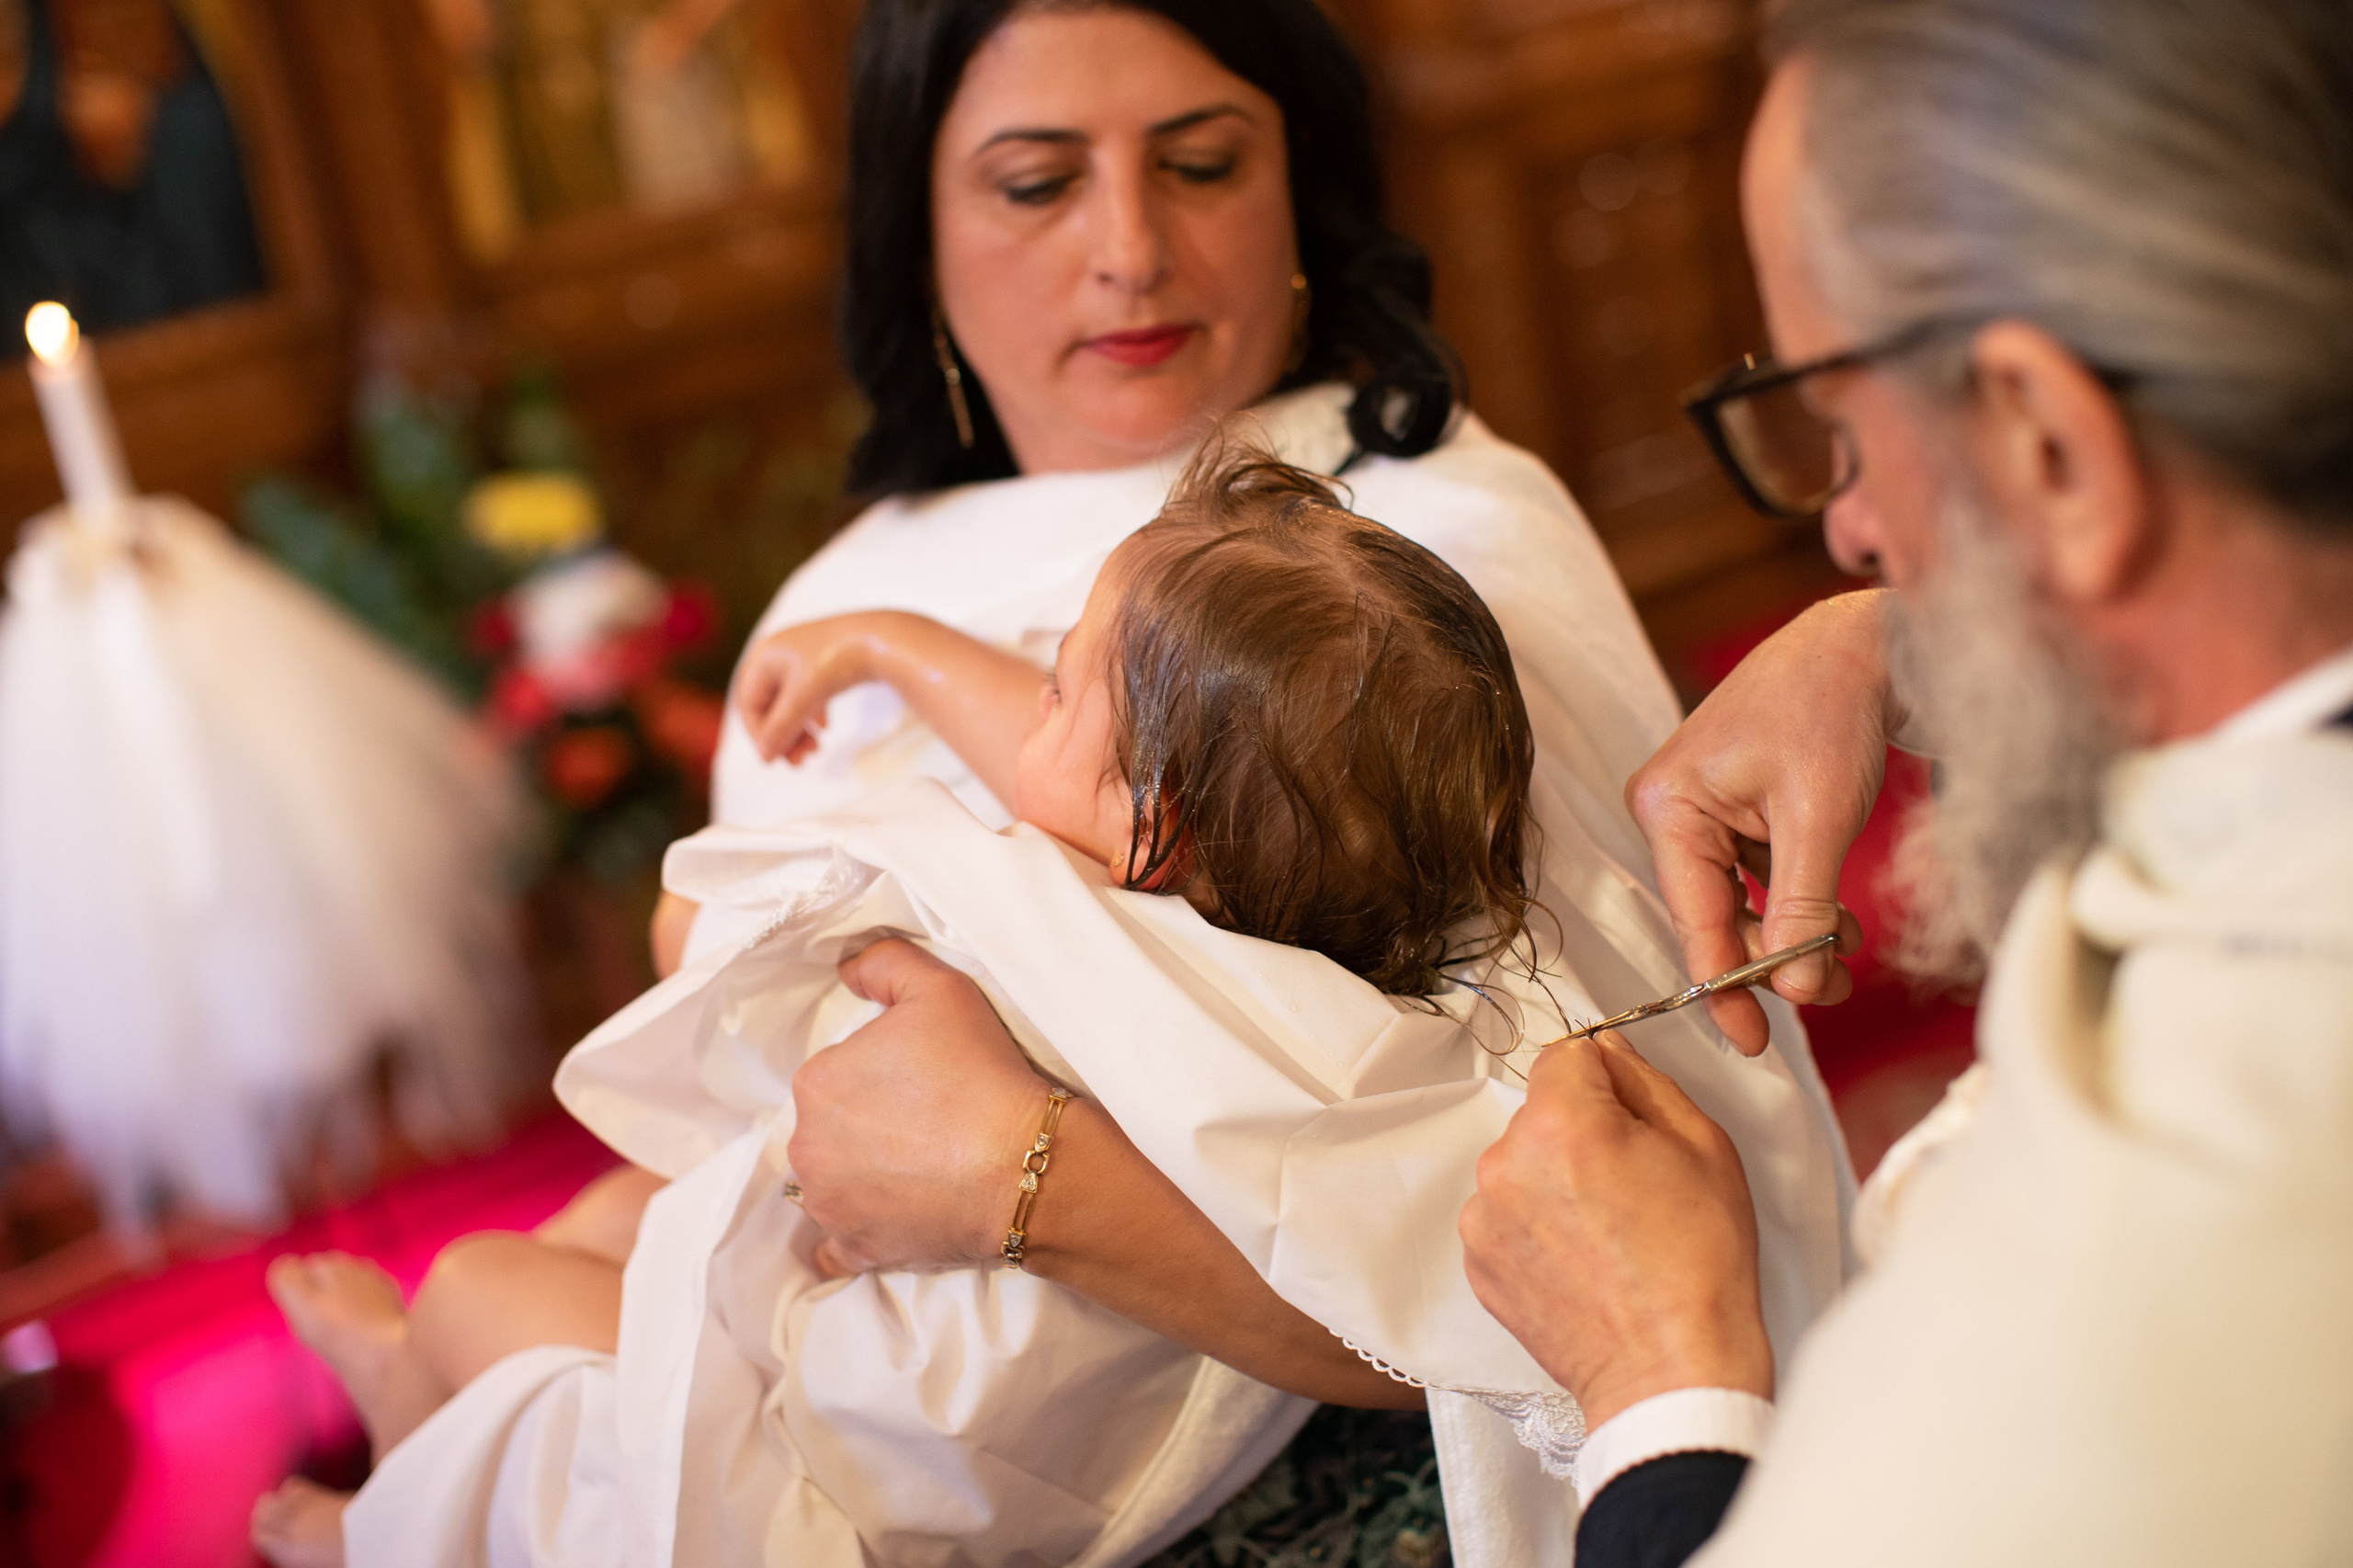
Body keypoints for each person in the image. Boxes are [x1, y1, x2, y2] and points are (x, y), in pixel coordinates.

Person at [256, 444, 1573, 1568]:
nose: (1024, 710)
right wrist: (900, 644)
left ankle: (386, 1498)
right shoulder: (1303, 964)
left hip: (841, 1453)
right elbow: (1107, 780)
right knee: (622, 1214)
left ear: (1148, 832)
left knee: (472, 1290)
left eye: (1057, 686)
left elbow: (747, 944)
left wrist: (709, 930)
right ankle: (417, 1446)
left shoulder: (1060, 932)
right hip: (1014, 1398)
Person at [1457, 0, 2353, 1562]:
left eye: (1847, 431)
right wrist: (1912, 638)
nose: (1852, 535)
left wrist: (1657, 1386)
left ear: (2055, 450)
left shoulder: (2122, 1303)